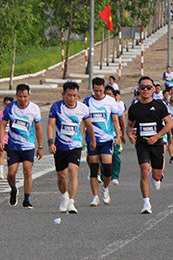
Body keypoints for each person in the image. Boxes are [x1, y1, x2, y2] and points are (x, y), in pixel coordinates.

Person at [126, 76, 173, 214]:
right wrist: (130, 134)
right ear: (138, 89)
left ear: (153, 89)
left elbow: (169, 124)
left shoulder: (159, 105)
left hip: (157, 143)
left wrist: (157, 136)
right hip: (142, 143)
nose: (145, 90)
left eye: (148, 87)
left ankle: (156, 175)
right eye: (142, 87)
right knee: (144, 170)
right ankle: (146, 203)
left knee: (156, 176)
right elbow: (129, 125)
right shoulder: (134, 108)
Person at [47, 82, 95, 214]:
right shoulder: (56, 107)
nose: (72, 98)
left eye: (75, 95)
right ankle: (64, 196)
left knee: (73, 171)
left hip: (75, 145)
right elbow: (50, 125)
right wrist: (50, 142)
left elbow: (89, 125)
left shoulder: (83, 108)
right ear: (63, 94)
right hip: (60, 146)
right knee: (61, 177)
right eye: (69, 95)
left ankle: (72, 203)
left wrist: (92, 140)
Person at [0, 84, 43, 209]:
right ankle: (13, 189)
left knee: (27, 170)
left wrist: (40, 146)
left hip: (28, 145)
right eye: (20, 96)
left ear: (29, 95)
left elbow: (38, 128)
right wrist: (1, 140)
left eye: (25, 96)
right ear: (16, 95)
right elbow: (2, 124)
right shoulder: (10, 108)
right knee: (11, 173)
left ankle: (27, 199)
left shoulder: (34, 108)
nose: (22, 99)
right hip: (13, 146)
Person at [83, 77, 121, 206]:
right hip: (92, 139)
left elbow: (115, 119)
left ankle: (105, 188)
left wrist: (118, 135)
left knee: (108, 168)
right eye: (96, 91)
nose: (98, 93)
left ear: (104, 88)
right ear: (92, 89)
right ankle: (95, 196)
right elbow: (84, 121)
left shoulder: (110, 101)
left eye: (100, 90)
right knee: (94, 169)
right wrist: (82, 137)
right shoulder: (87, 101)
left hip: (107, 139)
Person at [107, 87, 126, 185]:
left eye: (110, 94)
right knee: (103, 156)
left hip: (115, 134)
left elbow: (121, 120)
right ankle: (104, 176)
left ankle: (115, 176)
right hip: (104, 135)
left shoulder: (117, 106)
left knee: (114, 154)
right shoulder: (101, 104)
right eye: (106, 94)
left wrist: (122, 134)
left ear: (114, 96)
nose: (108, 96)